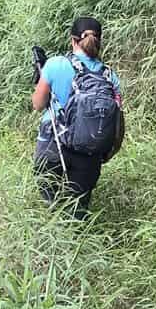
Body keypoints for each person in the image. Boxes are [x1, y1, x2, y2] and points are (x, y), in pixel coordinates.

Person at [31, 16, 125, 220]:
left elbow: (38, 104)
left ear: (72, 41)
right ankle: (75, 241)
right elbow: (117, 121)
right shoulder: (110, 76)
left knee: (49, 203)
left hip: (53, 143)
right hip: (90, 150)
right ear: (99, 42)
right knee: (77, 210)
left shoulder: (55, 64)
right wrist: (109, 152)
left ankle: (51, 237)